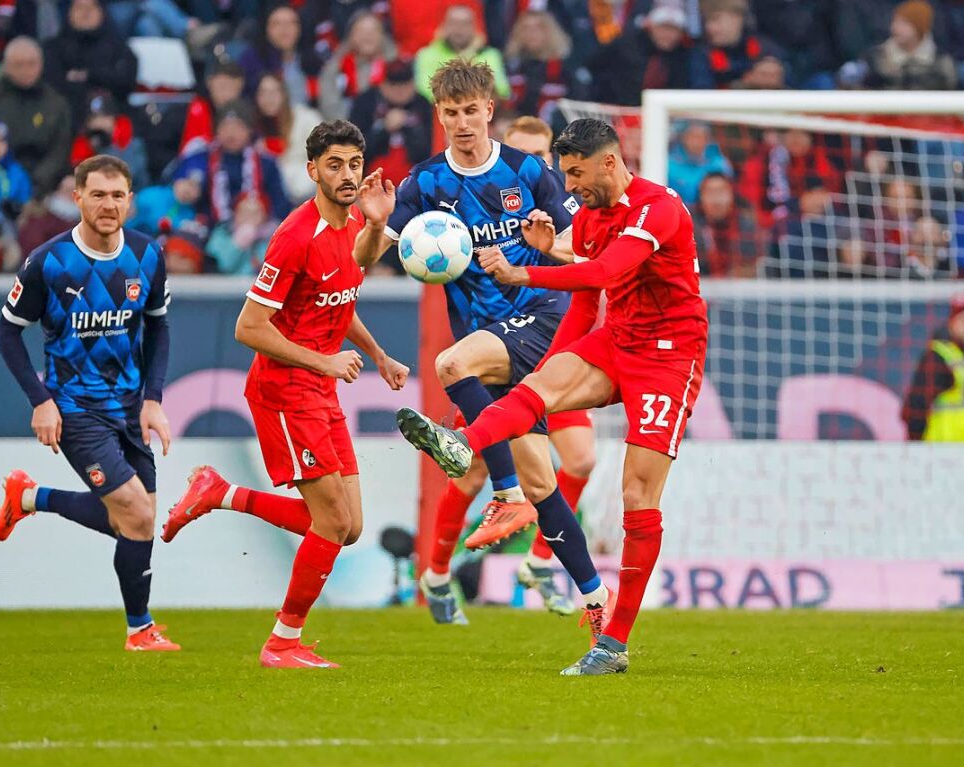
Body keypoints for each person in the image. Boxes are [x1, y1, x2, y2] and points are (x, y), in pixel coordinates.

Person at [395, 118, 708, 676]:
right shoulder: (586, 219)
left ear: (610, 162)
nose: (569, 187)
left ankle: (613, 643)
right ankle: (465, 445)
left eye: (576, 173)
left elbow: (607, 268)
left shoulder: (658, 209)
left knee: (637, 495)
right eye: (565, 174)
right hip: (619, 338)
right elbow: (589, 301)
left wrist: (525, 272)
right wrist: (546, 375)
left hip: (669, 356)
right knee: (535, 387)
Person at [355, 60, 611, 633]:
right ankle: (597, 599)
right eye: (452, 113)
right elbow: (365, 261)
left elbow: (584, 253)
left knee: (451, 363)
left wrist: (552, 248)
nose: (463, 122)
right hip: (489, 336)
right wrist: (374, 225)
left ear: (489, 110)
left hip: (542, 319)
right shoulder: (423, 183)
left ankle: (501, 492)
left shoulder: (528, 171)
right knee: (545, 487)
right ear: (439, 116)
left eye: (472, 110)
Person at [160, 121, 410, 669]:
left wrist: (380, 354)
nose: (347, 175)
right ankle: (282, 642)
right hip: (284, 389)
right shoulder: (296, 237)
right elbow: (248, 327)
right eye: (335, 165)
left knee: (350, 527)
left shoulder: (351, 225)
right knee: (333, 522)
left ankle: (220, 493)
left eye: (354, 164)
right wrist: (323, 360)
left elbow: (344, 291)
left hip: (319, 387)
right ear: (312, 170)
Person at [0, 155, 179, 652]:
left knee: (135, 522)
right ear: (78, 197)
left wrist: (153, 400)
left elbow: (158, 326)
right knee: (137, 515)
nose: (108, 204)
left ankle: (31, 498)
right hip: (75, 407)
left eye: (117, 195)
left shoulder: (147, 255)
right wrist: (41, 401)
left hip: (130, 405)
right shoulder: (49, 263)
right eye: (97, 194)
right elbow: (7, 334)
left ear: (130, 199)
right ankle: (140, 630)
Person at [0, 37, 72, 197]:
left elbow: (59, 151)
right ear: (6, 66)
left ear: (41, 64)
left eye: (31, 63)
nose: (25, 70)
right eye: (18, 64)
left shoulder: (55, 102)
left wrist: (38, 184)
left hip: (44, 185)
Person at [174, 100, 291, 224]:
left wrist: (261, 209)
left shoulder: (266, 163)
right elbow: (186, 177)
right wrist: (187, 188)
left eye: (238, 127)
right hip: (211, 229)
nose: (231, 133)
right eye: (225, 127)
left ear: (249, 130)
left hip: (257, 228)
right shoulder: (203, 158)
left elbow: (281, 206)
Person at [902, 291, 964, 442]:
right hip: (946, 457)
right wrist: (917, 452)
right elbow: (914, 410)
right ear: (952, 323)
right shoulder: (939, 358)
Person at [42, 0, 139, 117]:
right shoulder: (52, 49)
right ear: (68, 12)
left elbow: (125, 83)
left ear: (102, 11)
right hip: (66, 121)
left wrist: (88, 75)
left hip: (113, 120)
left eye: (91, 7)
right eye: (79, 7)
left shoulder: (119, 49)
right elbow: (53, 84)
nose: (85, 13)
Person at [348, 58, 434, 187]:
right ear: (382, 84)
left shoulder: (422, 104)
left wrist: (408, 127)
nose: (400, 91)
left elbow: (426, 152)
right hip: (369, 181)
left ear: (413, 84)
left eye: (405, 84)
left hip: (415, 183)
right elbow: (354, 151)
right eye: (393, 85)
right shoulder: (365, 102)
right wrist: (384, 129)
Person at [841, 0, 958, 90]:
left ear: (919, 27)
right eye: (895, 21)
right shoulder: (873, 59)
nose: (896, 28)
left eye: (904, 23)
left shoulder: (942, 62)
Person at [414, 4, 510, 102]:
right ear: (443, 26)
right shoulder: (426, 55)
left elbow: (502, 91)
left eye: (465, 24)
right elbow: (425, 91)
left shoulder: (491, 55)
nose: (458, 28)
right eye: (453, 23)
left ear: (474, 27)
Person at [253, 73, 324, 203]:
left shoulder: (307, 119)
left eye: (274, 92)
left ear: (284, 94)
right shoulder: (253, 128)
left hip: (308, 191)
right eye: (263, 93)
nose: (269, 98)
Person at [317, 10, 396, 121]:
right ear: (350, 36)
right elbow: (329, 106)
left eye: (373, 30)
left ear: (382, 36)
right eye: (361, 31)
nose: (368, 35)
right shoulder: (335, 68)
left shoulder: (396, 66)